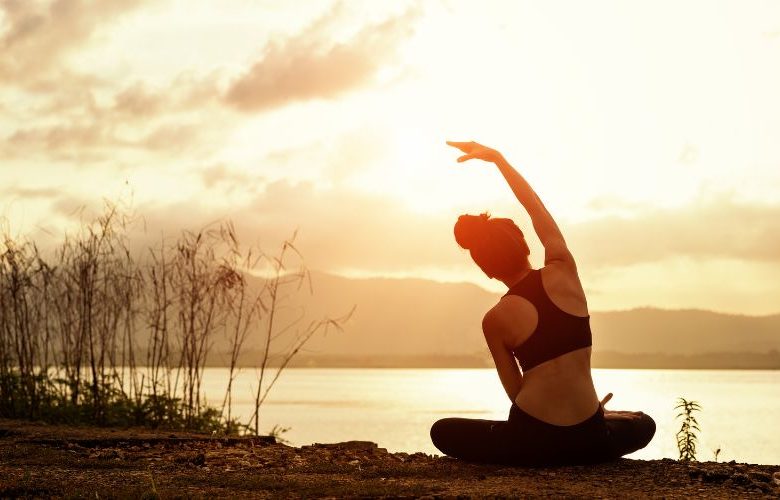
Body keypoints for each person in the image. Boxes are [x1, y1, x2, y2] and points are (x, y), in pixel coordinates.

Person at [430, 140, 655, 466]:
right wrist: (498, 160)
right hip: (590, 439)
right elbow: (535, 206)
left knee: (443, 431)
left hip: (532, 443)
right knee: (643, 422)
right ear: (524, 244)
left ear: (487, 271)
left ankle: (549, 444)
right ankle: (598, 424)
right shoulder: (564, 270)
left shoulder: (495, 320)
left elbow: (517, 393)